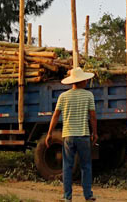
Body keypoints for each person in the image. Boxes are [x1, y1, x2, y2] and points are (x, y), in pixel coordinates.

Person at [45, 67, 98, 202]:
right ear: (81, 81)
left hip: (68, 136)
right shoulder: (88, 96)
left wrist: (49, 133)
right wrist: (95, 133)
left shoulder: (63, 96)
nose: (86, 81)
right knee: (86, 166)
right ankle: (88, 195)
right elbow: (92, 116)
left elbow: (55, 116)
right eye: (85, 79)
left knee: (67, 166)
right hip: (83, 135)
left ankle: (67, 197)